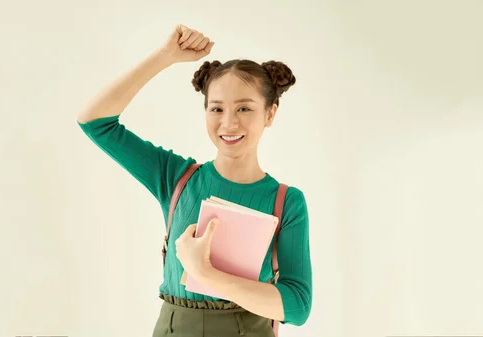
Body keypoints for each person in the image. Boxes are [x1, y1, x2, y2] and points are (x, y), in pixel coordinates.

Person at [77, 24, 312, 337]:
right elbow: (95, 122)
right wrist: (165, 57)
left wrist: (205, 273)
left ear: (270, 114)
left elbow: (297, 307)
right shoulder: (175, 178)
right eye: (217, 108)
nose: (229, 122)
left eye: (244, 107)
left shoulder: (286, 202)